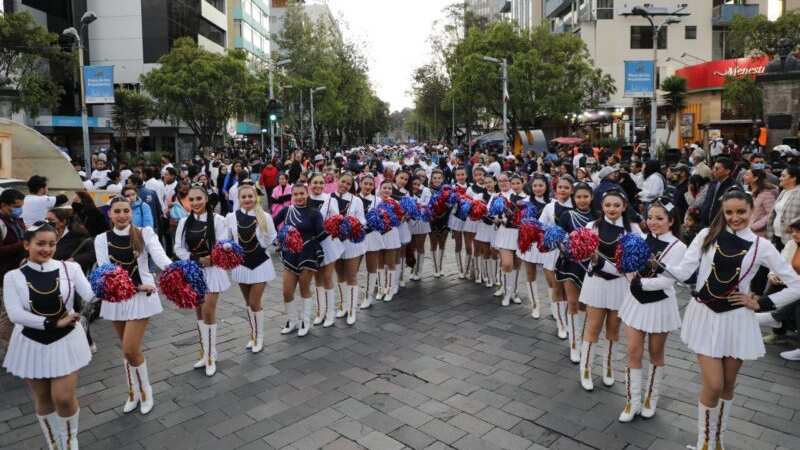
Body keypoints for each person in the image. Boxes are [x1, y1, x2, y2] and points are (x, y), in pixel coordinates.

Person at [663, 189, 800, 450]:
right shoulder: (707, 235)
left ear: (751, 211)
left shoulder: (763, 246)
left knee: (727, 385)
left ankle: (717, 443)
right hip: (704, 315)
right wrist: (656, 264)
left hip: (737, 321)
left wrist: (760, 302)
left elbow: (796, 284)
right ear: (722, 213)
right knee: (713, 385)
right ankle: (704, 443)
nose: (734, 217)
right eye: (729, 212)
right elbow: (683, 272)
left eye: (741, 212)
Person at [2, 222, 95, 450]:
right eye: (40, 243)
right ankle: (54, 443)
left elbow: (92, 295)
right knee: (43, 398)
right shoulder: (12, 276)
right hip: (30, 343)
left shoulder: (69, 269)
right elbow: (15, 314)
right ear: (27, 245)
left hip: (66, 341)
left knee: (63, 397)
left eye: (52, 244)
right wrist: (52, 322)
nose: (47, 249)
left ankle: (71, 439)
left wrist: (116, 283)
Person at [95, 196, 172, 414]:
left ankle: (146, 392)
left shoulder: (144, 233)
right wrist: (138, 286)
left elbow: (161, 258)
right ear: (109, 214)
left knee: (130, 348)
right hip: (117, 297)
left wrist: (178, 271)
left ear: (132, 212)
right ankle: (133, 392)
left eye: (126, 211)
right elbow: (105, 271)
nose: (121, 215)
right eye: (117, 211)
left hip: (142, 299)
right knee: (127, 350)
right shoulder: (101, 239)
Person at [617, 199, 686, 422]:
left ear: (671, 220)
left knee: (656, 353)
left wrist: (639, 283)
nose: (653, 222)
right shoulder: (639, 239)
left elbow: (668, 281)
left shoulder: (678, 247)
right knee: (633, 351)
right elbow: (627, 266)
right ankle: (632, 400)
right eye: (650, 217)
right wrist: (629, 275)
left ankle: (650, 399)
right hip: (635, 303)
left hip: (659, 306)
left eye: (659, 218)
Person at [579, 190, 642, 391]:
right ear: (602, 206)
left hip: (620, 285)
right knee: (593, 326)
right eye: (608, 205)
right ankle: (586, 370)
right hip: (597, 283)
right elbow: (582, 253)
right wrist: (592, 258)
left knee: (614, 329)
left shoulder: (633, 229)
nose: (612, 209)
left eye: (616, 205)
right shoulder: (592, 226)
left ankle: (608, 367)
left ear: (624, 206)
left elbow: (639, 257)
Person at [174, 186, 229, 376]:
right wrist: (196, 260)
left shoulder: (219, 220)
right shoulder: (183, 222)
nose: (196, 203)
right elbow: (178, 248)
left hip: (214, 270)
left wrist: (211, 258)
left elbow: (223, 243)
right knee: (198, 312)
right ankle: (204, 353)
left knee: (208, 310)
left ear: (206, 199)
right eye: (192, 199)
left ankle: (212, 355)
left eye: (199, 198)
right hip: (194, 269)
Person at [225, 183, 276, 353]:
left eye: (250, 196)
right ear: (238, 199)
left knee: (255, 302)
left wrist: (261, 248)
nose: (247, 199)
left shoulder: (265, 216)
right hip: (241, 264)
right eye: (244, 197)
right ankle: (253, 335)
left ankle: (260, 337)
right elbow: (227, 238)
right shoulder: (231, 217)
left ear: (256, 198)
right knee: (248, 303)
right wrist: (227, 247)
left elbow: (272, 236)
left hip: (260, 263)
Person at [273, 184, 325, 336]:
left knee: (304, 288)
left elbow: (321, 234)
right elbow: (271, 224)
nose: (299, 197)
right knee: (287, 291)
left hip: (308, 254)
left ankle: (305, 321)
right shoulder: (286, 210)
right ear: (292, 196)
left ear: (307, 194)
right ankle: (292, 321)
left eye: (302, 193)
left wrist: (337, 228)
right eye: (295, 194)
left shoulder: (315, 213)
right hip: (290, 254)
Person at [554, 183, 596, 363]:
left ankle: (584, 341)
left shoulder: (598, 217)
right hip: (571, 264)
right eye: (578, 197)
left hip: (591, 267)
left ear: (591, 197)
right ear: (573, 197)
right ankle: (574, 345)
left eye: (586, 196)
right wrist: (569, 246)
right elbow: (559, 238)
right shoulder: (566, 215)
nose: (582, 200)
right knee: (572, 302)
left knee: (584, 306)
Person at [538, 176, 574, 331]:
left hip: (571, 254)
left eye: (566, 187)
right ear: (555, 189)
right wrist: (551, 234)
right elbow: (540, 226)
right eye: (560, 187)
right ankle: (561, 324)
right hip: (552, 252)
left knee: (567, 289)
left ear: (571, 190)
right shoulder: (549, 207)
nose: (563, 190)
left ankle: (564, 316)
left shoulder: (576, 207)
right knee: (555, 287)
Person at [332, 173, 366, 325]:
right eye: (343, 181)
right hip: (335, 242)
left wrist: (353, 223)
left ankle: (352, 309)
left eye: (348, 184)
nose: (344, 185)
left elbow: (362, 220)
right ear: (337, 181)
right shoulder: (329, 198)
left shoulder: (356, 200)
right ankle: (343, 306)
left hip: (351, 242)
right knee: (340, 275)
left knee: (351, 276)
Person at [492, 173, 528, 307]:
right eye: (513, 183)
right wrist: (498, 219)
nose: (515, 185)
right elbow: (493, 215)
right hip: (505, 233)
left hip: (520, 235)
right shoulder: (499, 197)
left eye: (518, 183)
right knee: (507, 264)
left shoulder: (527, 198)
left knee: (517, 265)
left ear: (523, 183)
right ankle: (507, 292)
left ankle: (514, 292)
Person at [0, 189, 27, 352]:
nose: (19, 210)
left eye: (21, 206)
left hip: (19, 272)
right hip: (3, 275)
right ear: (3, 205)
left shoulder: (15, 219)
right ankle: (10, 350)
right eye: (16, 207)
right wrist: (22, 243)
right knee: (7, 314)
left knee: (17, 310)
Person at [358, 175, 383, 309]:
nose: (367, 187)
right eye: (365, 184)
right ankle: (349, 298)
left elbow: (382, 219)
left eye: (370, 184)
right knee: (353, 268)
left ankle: (368, 296)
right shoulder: (354, 198)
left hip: (372, 236)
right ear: (360, 184)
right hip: (357, 237)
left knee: (371, 267)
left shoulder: (377, 200)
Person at [376, 180, 402, 301]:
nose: (387, 190)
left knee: (390, 262)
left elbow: (400, 219)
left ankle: (391, 289)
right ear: (380, 188)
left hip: (391, 234)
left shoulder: (395, 203)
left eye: (389, 188)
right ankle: (381, 288)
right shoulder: (375, 201)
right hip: (379, 235)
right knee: (380, 262)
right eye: (384, 188)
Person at [700, 157, 740, 226]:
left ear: (727, 171)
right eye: (713, 168)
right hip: (706, 223)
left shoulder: (733, 187)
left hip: (721, 226)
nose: (713, 171)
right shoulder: (713, 183)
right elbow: (707, 201)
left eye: (717, 169)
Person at [768, 166, 800, 248]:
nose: (780, 178)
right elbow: (775, 213)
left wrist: (791, 226)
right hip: (776, 236)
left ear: (793, 178)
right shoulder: (784, 191)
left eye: (783, 176)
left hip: (792, 239)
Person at [408, 175, 432, 281]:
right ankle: (412, 268)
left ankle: (419, 271)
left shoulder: (426, 190)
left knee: (420, 246)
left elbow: (428, 204)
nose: (416, 186)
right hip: (409, 222)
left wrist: (418, 205)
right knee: (411, 247)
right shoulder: (407, 192)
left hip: (421, 221)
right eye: (414, 184)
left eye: (418, 184)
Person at [428, 170, 450, 277]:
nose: (437, 180)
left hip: (445, 219)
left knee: (442, 244)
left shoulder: (447, 190)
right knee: (433, 244)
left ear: (442, 179)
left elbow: (451, 205)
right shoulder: (428, 191)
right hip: (432, 220)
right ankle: (435, 269)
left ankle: (440, 267)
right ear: (431, 179)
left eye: (439, 178)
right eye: (434, 178)